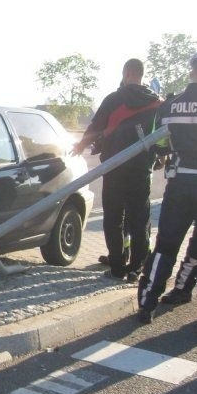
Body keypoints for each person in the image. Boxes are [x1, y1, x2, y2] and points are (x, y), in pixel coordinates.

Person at [137, 49, 197, 331]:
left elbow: (160, 145)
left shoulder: (169, 104)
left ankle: (146, 305)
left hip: (179, 184)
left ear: (191, 71)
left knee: (165, 244)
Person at [72, 58, 161, 282]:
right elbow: (162, 135)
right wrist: (158, 158)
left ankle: (117, 267)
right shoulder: (156, 102)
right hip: (141, 169)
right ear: (141, 74)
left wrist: (81, 145)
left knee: (113, 218)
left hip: (114, 167)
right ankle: (136, 268)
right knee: (139, 218)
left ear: (126, 72)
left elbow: (95, 127)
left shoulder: (114, 99)